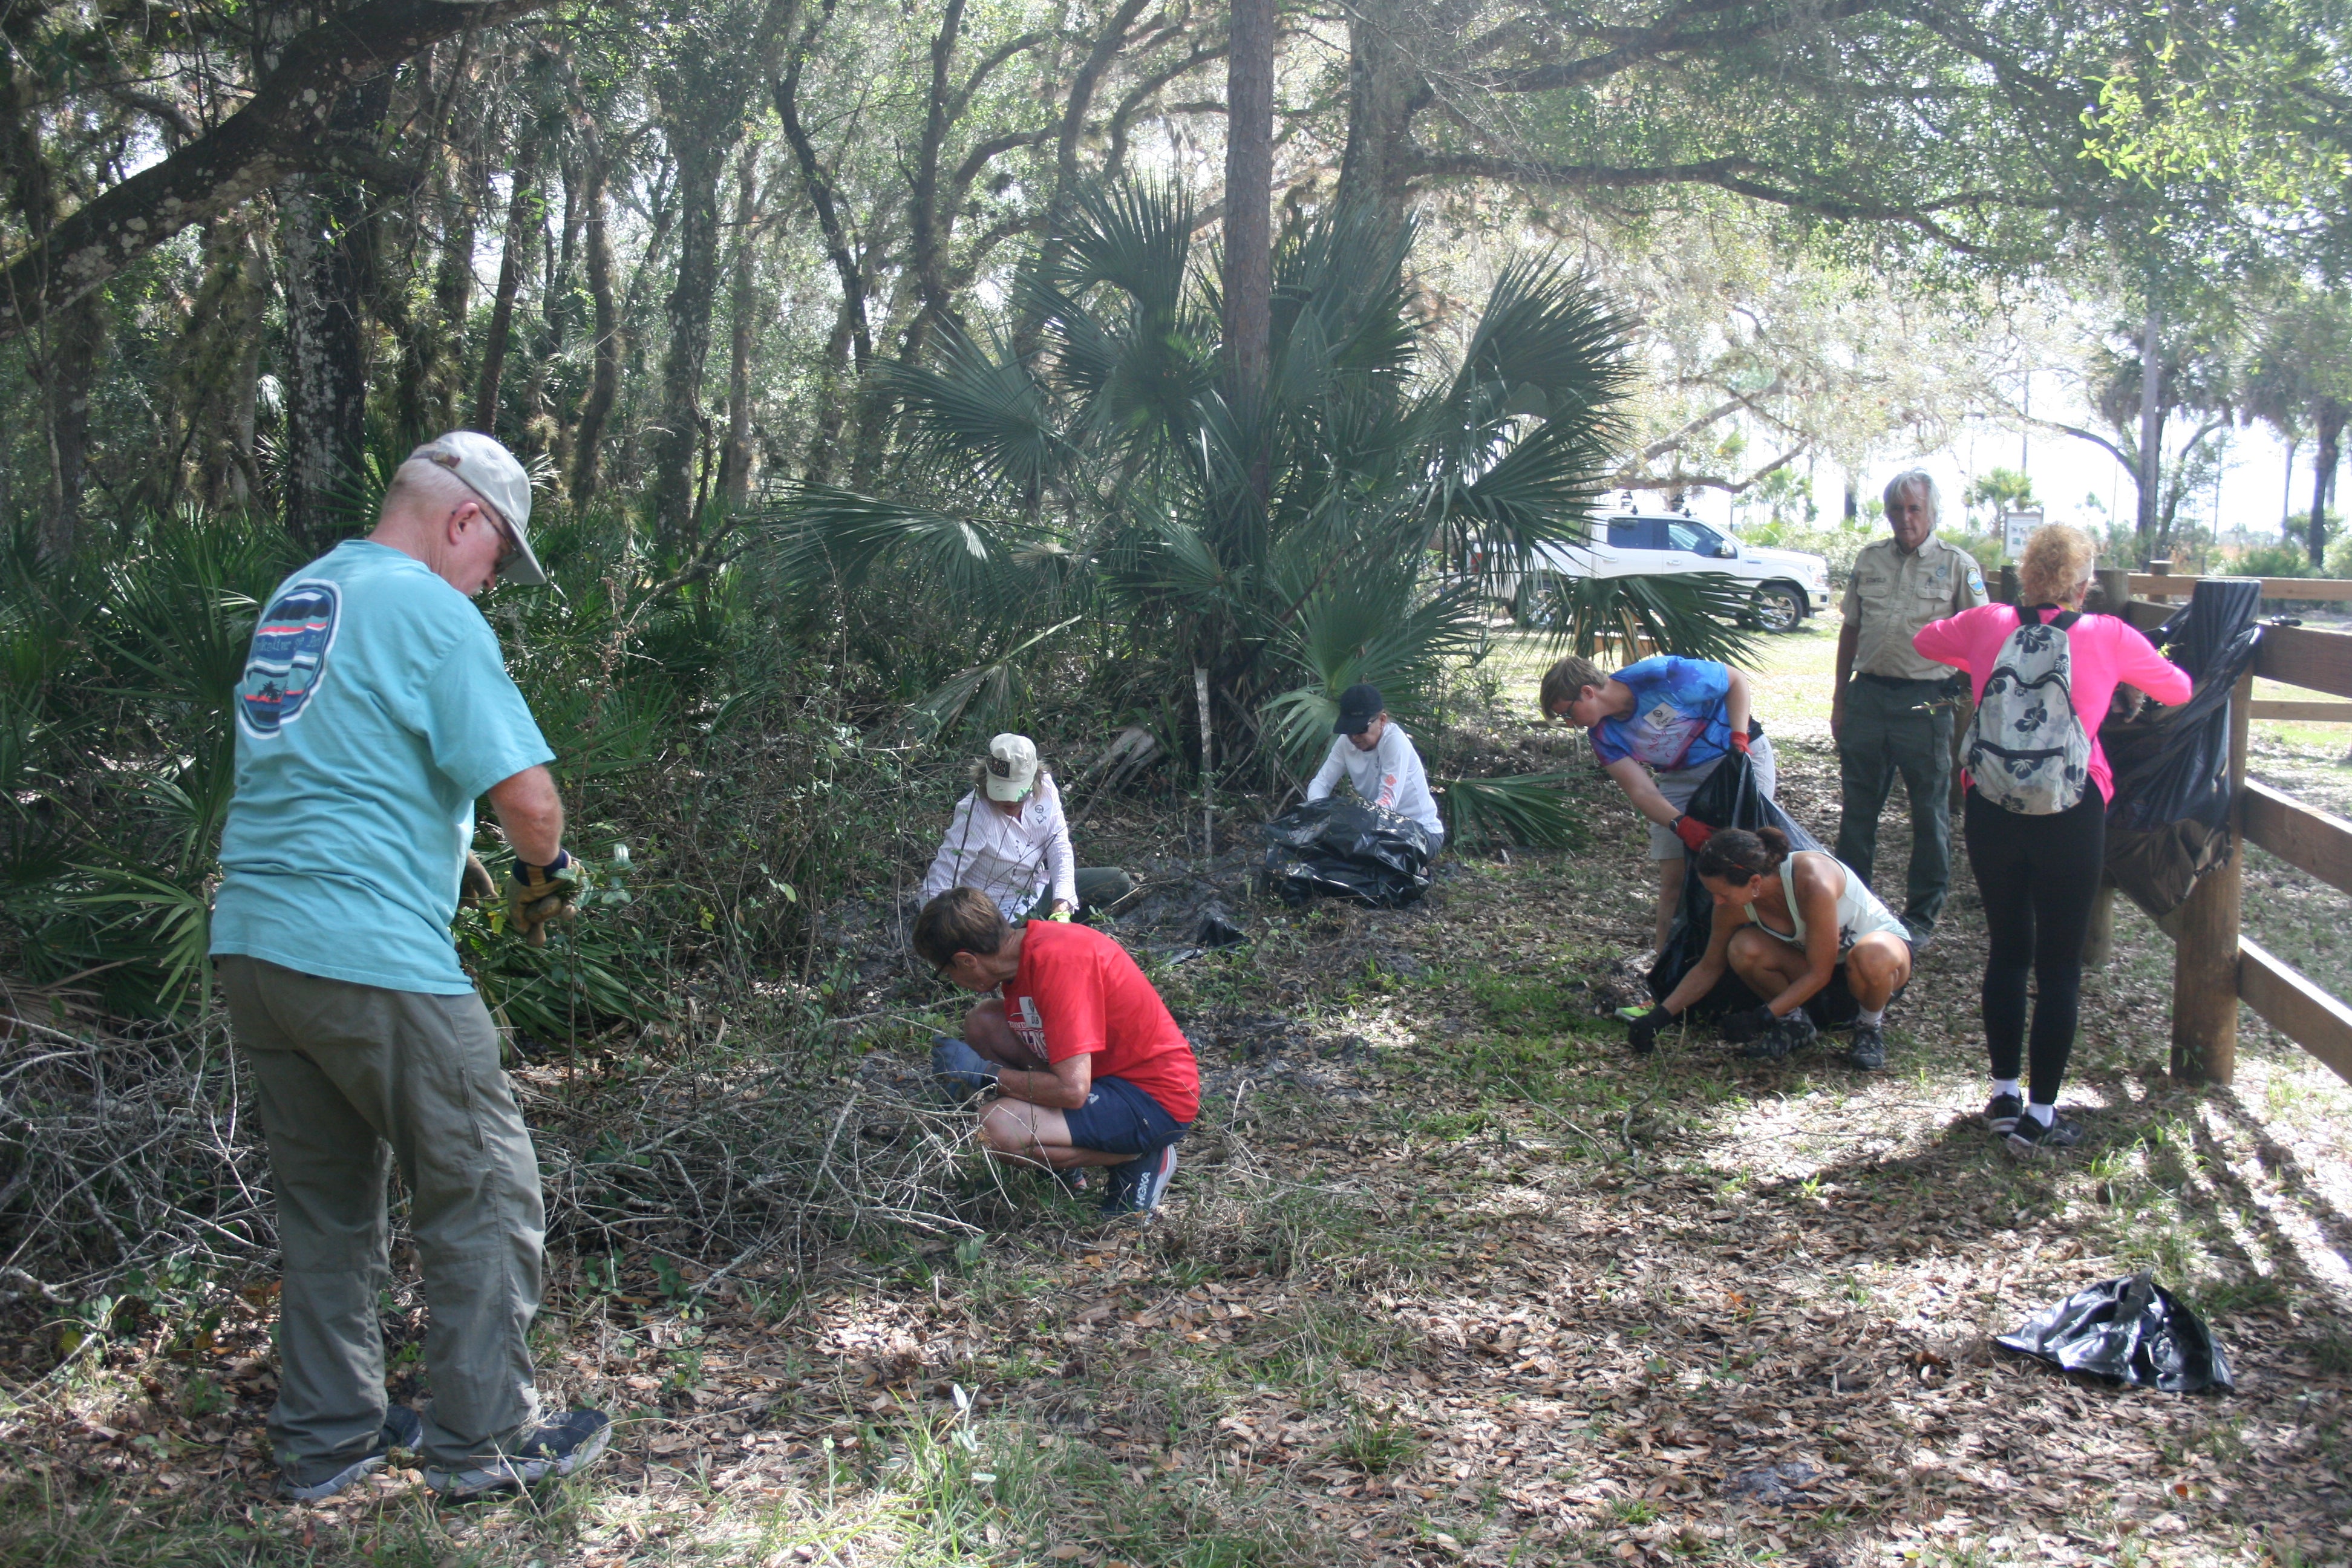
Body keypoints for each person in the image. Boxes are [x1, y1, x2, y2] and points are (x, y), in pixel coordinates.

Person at [209, 431, 609, 1502]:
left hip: (253, 942)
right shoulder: (430, 607)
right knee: (483, 1181)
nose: (493, 580)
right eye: (497, 556)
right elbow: (528, 799)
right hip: (366, 950)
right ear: (462, 518)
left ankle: (326, 1435)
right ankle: (483, 1440)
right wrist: (548, 874)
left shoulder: (304, 594)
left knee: (329, 1206)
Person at [1915, 523, 2192, 1157]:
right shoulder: (2109, 635)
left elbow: (1924, 640)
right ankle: (2042, 1116)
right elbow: (2178, 690)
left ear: (2024, 576)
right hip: (2072, 808)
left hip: (1992, 805)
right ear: (2083, 583)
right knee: (2060, 965)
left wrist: (1982, 655)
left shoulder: (1987, 623)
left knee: (2008, 950)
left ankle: (2004, 1096)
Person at [917, 887, 1200, 1217]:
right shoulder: (1023, 955)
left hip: (1155, 1100)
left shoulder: (1059, 963)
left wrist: (985, 1074)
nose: (951, 979)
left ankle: (1141, 1154)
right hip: (1105, 1077)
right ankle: (1067, 1165)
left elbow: (1071, 1090)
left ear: (967, 959)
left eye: (947, 971)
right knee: (984, 1022)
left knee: (995, 1129)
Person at [1831, 471, 1989, 948]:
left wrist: (1968, 702)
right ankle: (1850, 909)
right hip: (1868, 696)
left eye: (1914, 509)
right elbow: (1851, 631)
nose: (1905, 519)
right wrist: (1841, 698)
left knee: (1929, 811)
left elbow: (1983, 637)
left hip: (1926, 701)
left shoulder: (1958, 565)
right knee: (1858, 810)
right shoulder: (1870, 559)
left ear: (1932, 512)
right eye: (1896, 509)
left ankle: (1921, 917)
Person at [1540, 653, 1777, 950]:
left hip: (1736, 756)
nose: (1569, 723)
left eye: (1568, 714)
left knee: (1749, 856)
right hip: (1678, 776)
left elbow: (1734, 680)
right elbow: (1641, 791)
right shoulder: (1602, 735)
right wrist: (1681, 824)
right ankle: (1665, 967)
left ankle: (1763, 943)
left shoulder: (1658, 676)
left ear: (1587, 693)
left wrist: (1739, 739)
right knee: (1673, 880)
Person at [1627, 828, 1914, 1070]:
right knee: (1744, 947)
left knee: (1870, 956)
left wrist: (1761, 1017)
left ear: (1754, 882)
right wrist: (1659, 1017)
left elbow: (1820, 973)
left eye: (1722, 893)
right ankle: (1796, 1025)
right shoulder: (1734, 906)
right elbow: (1709, 966)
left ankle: (1869, 1028)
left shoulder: (1812, 881)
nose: (1717, 902)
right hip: (1821, 979)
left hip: (1873, 970)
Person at [922, 733, 1135, 925]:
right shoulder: (974, 812)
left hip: (1038, 891)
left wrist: (1062, 899)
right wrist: (941, 929)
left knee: (1117, 881)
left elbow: (1058, 843)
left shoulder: (1046, 788)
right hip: (998, 915)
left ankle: (1058, 932)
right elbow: (942, 877)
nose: (1009, 800)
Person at [1305, 683, 1444, 843]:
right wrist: (1320, 811)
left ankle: (1415, 869)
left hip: (1421, 832)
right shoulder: (1345, 743)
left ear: (1382, 721)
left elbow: (1387, 803)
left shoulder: (1394, 742)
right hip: (1380, 827)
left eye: (1361, 729)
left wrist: (1352, 823)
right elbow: (1321, 783)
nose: (1354, 737)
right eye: (1349, 729)